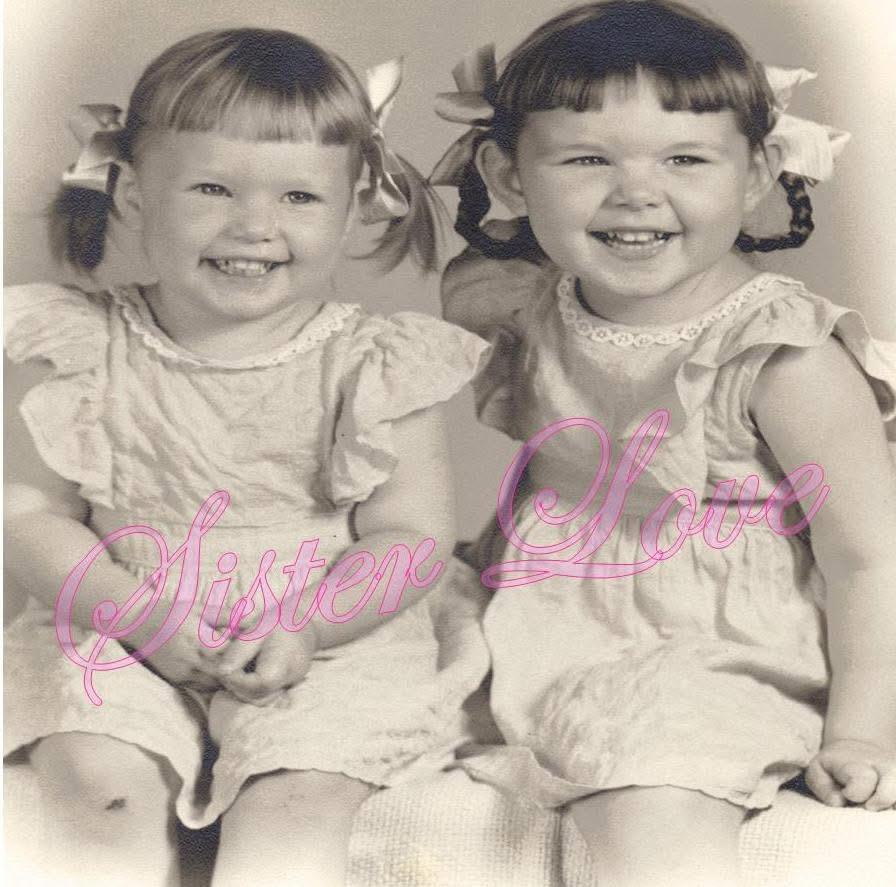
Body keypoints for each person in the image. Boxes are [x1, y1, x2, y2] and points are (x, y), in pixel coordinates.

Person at [4, 27, 489, 887]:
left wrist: (307, 624)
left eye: (300, 197)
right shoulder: (81, 343)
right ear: (133, 196)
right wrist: (132, 612)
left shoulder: (374, 362)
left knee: (294, 800)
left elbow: (410, 538)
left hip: (329, 631)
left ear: (352, 210)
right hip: (121, 612)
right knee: (96, 781)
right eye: (212, 188)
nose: (254, 226)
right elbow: (31, 514)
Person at [431, 2, 896, 884]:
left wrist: (866, 730)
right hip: (544, 599)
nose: (636, 193)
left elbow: (870, 558)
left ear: (757, 170)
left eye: (685, 159)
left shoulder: (781, 356)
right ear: (511, 172)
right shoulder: (524, 302)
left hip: (717, 637)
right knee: (346, 681)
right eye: (585, 160)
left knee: (650, 790)